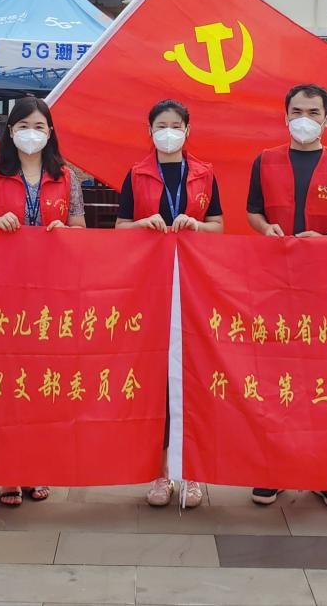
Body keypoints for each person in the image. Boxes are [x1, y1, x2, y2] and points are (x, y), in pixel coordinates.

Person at [245, 83, 327, 511]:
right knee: (275, 377)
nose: (304, 119)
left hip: (325, 288)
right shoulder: (265, 161)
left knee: (325, 380)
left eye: (313, 112)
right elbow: (253, 211)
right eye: (297, 111)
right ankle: (273, 470)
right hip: (274, 284)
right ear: (285, 116)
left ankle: (325, 473)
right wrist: (265, 228)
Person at [0, 96, 85, 507]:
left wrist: (64, 230)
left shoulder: (66, 177)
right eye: (22, 126)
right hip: (3, 296)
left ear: (50, 132)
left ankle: (36, 466)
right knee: (4, 385)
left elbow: (80, 228)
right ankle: (7, 472)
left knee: (42, 386)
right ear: (10, 131)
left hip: (51, 297)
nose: (31, 134)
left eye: (38, 126)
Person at [115, 99, 224, 509]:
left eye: (176, 125)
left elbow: (219, 226)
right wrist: (142, 225)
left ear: (187, 130)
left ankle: (191, 473)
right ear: (149, 130)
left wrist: (196, 225)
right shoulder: (137, 173)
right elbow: (120, 227)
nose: (169, 132)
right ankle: (160, 472)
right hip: (150, 288)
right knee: (157, 380)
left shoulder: (205, 174)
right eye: (162, 124)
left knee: (193, 376)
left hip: (195, 286)